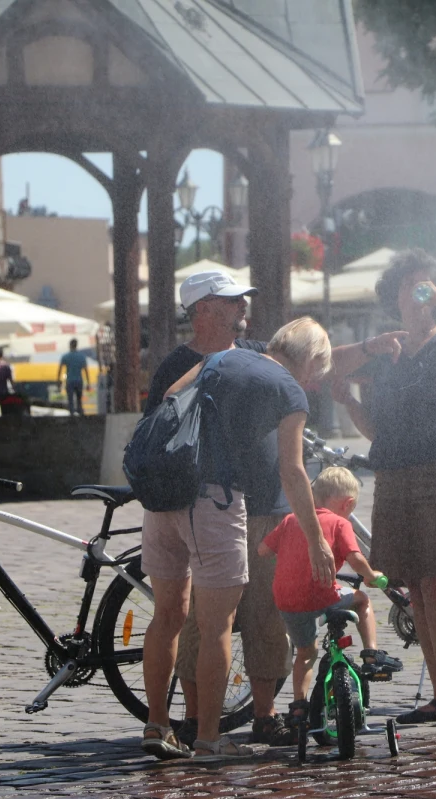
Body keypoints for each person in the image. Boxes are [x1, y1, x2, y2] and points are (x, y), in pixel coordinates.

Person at [142, 270, 405, 749]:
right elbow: (292, 463)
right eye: (232, 301)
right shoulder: (207, 366)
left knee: (264, 617)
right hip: (221, 505)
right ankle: (201, 728)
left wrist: (368, 347)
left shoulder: (240, 355)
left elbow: (310, 361)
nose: (244, 307)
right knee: (207, 620)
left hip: (256, 507)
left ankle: (254, 718)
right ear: (203, 309)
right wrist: (312, 536)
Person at [140, 316, 339, 760]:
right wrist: (315, 538)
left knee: (168, 617)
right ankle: (210, 739)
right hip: (212, 502)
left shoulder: (222, 357)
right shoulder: (289, 389)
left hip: (163, 499)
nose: (314, 382)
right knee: (217, 627)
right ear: (308, 361)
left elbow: (170, 399)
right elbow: (292, 470)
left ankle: (157, 725)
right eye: (316, 373)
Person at [331, 249, 436, 730]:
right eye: (410, 287)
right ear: (394, 295)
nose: (418, 294)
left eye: (427, 287)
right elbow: (371, 425)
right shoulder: (386, 351)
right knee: (418, 592)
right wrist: (349, 398)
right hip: (397, 473)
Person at [257, 466, 402, 730]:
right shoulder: (340, 523)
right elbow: (355, 558)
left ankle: (299, 707)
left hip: (287, 601)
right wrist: (372, 576)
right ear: (348, 504)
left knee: (305, 653)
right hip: (322, 595)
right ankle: (371, 653)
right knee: (361, 600)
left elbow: (263, 550)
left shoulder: (291, 520)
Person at [57, 338, 90, 416]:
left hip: (70, 381)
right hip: (79, 380)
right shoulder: (82, 357)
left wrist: (58, 381)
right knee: (79, 399)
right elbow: (86, 370)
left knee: (70, 400)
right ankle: (80, 413)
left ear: (70, 345)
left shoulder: (65, 356)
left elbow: (60, 369)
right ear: (76, 345)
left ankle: (72, 415)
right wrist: (88, 383)